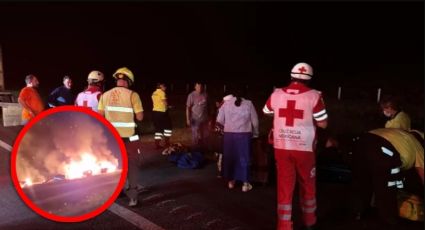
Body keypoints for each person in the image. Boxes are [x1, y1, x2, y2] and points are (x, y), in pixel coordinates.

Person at [263, 62, 328, 230]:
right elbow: (323, 124)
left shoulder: (276, 94)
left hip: (281, 146)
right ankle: (309, 221)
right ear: (309, 78)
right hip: (304, 148)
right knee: (307, 184)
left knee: (284, 186)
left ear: (291, 76)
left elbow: (267, 111)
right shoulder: (314, 96)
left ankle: (284, 224)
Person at [351, 128, 424, 229]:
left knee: (363, 182)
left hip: (362, 142)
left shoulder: (399, 133)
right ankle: (389, 222)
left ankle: (358, 214)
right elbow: (422, 173)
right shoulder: (418, 146)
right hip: (384, 149)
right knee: (387, 189)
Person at [98, 67, 144, 207]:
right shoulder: (133, 95)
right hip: (130, 137)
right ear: (129, 81)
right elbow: (140, 117)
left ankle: (117, 191)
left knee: (118, 165)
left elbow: (100, 117)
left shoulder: (105, 95)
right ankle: (133, 198)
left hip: (112, 138)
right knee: (132, 165)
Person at [216, 86, 259, 192]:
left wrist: (224, 131)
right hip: (244, 135)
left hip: (229, 136)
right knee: (244, 158)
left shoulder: (226, 104)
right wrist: (256, 134)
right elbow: (255, 122)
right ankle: (245, 183)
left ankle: (231, 181)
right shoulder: (249, 104)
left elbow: (219, 120)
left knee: (231, 158)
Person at [186, 82, 209, 149]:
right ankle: (194, 149)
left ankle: (205, 149)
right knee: (195, 135)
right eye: (198, 87)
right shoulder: (191, 95)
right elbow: (187, 108)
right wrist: (187, 119)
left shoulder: (205, 95)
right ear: (195, 87)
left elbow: (208, 106)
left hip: (204, 119)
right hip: (195, 119)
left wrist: (209, 117)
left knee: (205, 135)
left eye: (201, 87)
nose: (199, 88)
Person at [151, 82, 172, 149]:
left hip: (155, 113)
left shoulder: (154, 93)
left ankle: (157, 144)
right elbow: (164, 102)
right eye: (164, 87)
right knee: (168, 127)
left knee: (158, 129)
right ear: (161, 86)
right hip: (162, 113)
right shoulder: (162, 93)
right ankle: (167, 143)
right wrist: (168, 106)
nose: (165, 88)